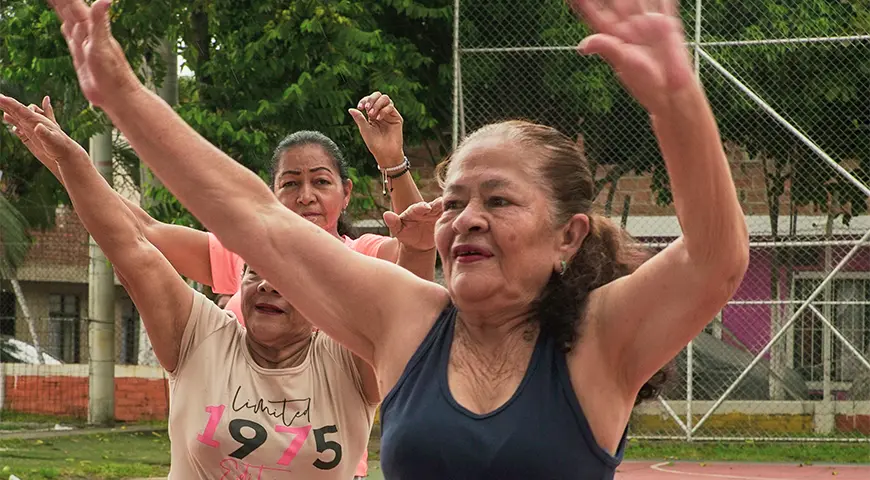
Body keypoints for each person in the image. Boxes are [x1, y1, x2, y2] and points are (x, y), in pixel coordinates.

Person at [24, 0, 750, 477]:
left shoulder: (603, 339)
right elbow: (259, 220)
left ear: (569, 237)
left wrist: (676, 100)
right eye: (456, 199)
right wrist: (119, 92)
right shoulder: (410, 318)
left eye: (498, 200)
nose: (465, 217)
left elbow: (714, 261)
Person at [2, 96, 437, 479]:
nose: (305, 196)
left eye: (320, 182)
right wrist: (69, 165)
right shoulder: (204, 332)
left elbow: (409, 299)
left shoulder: (358, 300)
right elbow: (136, 241)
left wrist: (399, 181)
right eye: (289, 183)